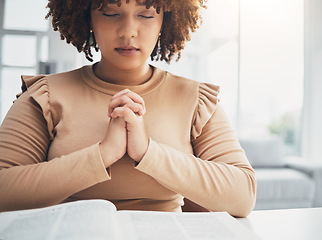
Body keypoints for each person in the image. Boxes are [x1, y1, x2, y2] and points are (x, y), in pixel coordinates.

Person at [0, 0, 256, 217]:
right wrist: (102, 155)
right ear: (88, 16)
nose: (128, 32)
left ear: (164, 22)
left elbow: (243, 195)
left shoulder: (195, 99)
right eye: (111, 13)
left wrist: (147, 152)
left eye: (145, 15)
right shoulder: (44, 96)